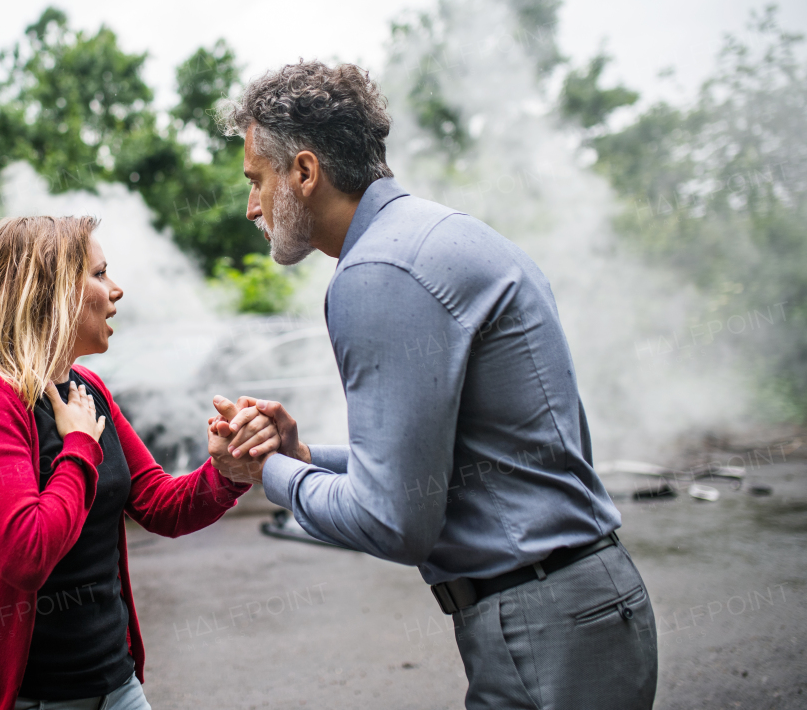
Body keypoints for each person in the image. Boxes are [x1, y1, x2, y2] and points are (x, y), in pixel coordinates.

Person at [206, 62, 659, 710]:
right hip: (573, 606)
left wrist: (267, 470)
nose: (251, 205)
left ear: (304, 172)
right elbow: (453, 462)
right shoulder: (441, 233)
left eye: (256, 179)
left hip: (544, 621)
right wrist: (306, 457)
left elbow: (393, 519)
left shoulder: (377, 271)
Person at [0, 215, 255, 710]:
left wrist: (227, 472)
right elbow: (26, 554)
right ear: (49, 292)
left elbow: (159, 504)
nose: (117, 289)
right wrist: (80, 448)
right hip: (30, 696)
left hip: (117, 683)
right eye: (100, 273)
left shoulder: (88, 389)